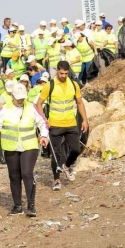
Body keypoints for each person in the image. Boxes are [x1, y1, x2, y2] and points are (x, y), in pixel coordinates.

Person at [0, 83, 49, 217]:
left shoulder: (31, 107)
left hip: (29, 146)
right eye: (18, 98)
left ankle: (31, 205)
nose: (20, 100)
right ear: (12, 96)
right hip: (11, 147)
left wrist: (44, 136)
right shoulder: (4, 109)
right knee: (14, 176)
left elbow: (42, 123)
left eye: (22, 97)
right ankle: (17, 206)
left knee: (27, 173)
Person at [36, 61, 88, 192]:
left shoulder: (74, 85)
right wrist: (43, 119)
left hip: (71, 123)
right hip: (55, 124)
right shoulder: (50, 85)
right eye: (61, 73)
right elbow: (38, 104)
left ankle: (66, 166)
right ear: (57, 71)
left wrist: (85, 120)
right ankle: (56, 180)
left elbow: (80, 103)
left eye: (66, 73)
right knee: (56, 154)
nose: (64, 76)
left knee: (76, 149)